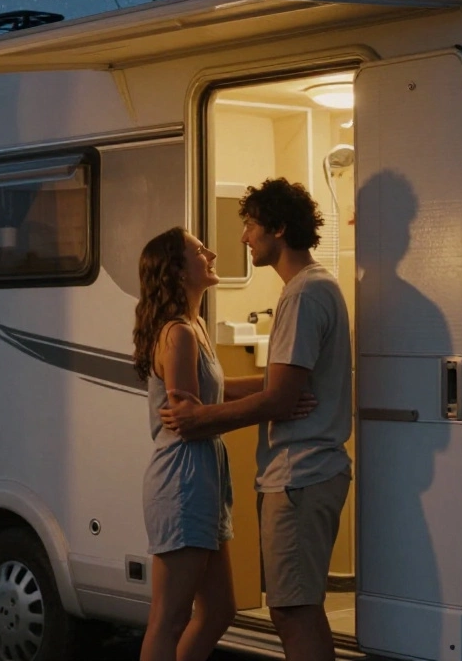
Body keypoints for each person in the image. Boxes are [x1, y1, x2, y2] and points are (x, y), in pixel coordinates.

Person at [160, 179, 352, 661]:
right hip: (306, 475)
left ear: (279, 229)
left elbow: (282, 398)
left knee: (294, 612)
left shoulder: (303, 295)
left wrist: (202, 419)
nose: (243, 238)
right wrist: (230, 395)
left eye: (249, 225)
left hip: (300, 475)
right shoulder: (314, 287)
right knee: (296, 607)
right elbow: (279, 390)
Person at [133, 226, 317, 661]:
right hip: (181, 481)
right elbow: (191, 422)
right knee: (168, 618)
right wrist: (273, 407)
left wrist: (281, 387)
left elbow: (215, 392)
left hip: (204, 479)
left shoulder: (194, 325)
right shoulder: (177, 333)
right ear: (178, 270)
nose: (212, 253)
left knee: (219, 610)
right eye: (199, 250)